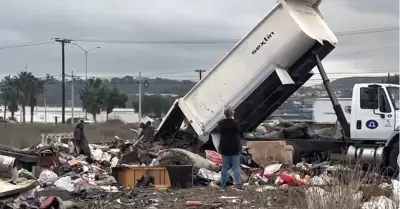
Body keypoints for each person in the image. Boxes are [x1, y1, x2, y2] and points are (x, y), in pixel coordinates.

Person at [217, 106, 243, 191]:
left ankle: (223, 185)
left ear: (224, 114)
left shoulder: (220, 123)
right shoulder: (236, 123)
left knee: (225, 167)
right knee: (236, 166)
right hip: (235, 147)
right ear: (232, 114)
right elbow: (239, 131)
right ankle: (238, 184)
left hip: (224, 147)